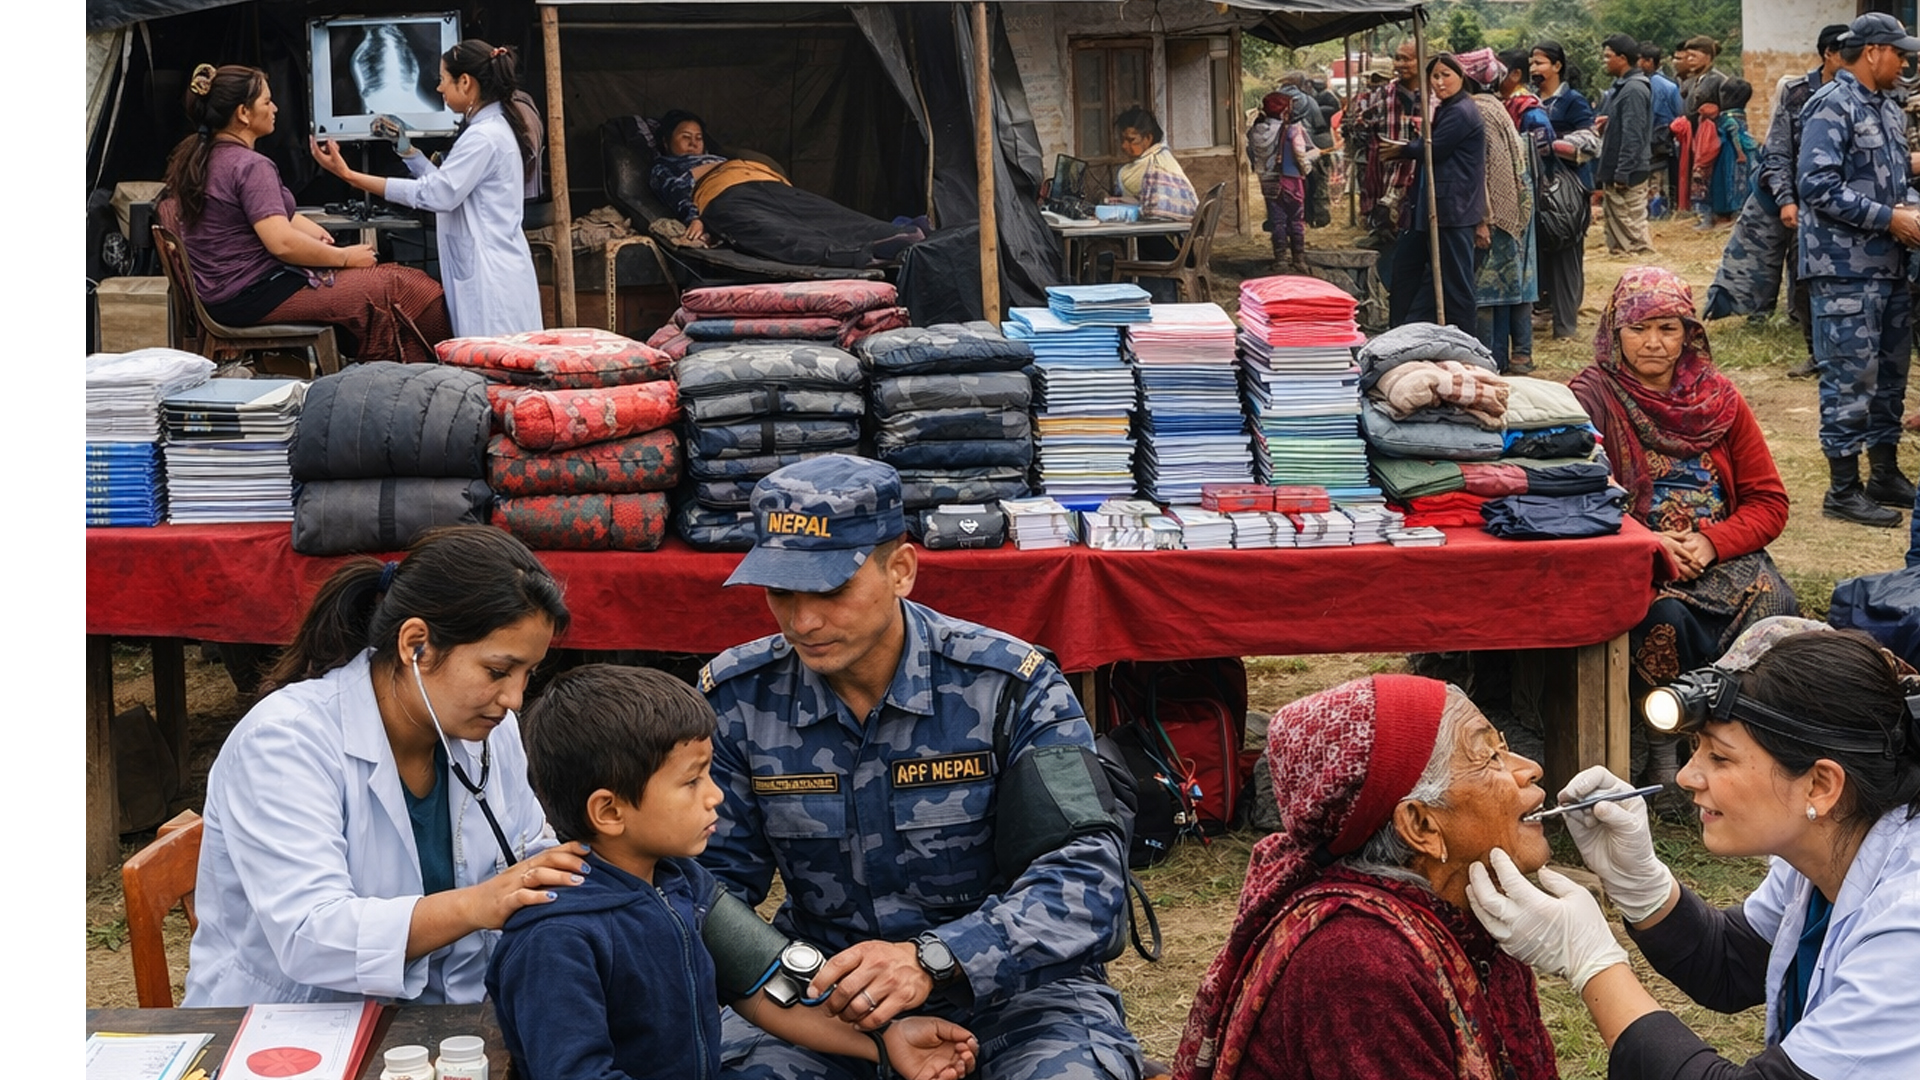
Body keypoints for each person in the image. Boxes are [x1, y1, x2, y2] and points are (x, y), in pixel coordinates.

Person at [697, 454, 1144, 1080]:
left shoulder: (1010, 688)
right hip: (826, 1000)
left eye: (829, 591)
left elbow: (1088, 879)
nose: (803, 621)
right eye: (780, 593)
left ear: (901, 570)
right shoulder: (738, 700)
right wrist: (795, 983)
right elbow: (703, 891)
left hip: (1016, 994)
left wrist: (935, 958)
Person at [1468, 627, 1920, 1079]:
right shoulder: (1825, 851)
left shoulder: (1907, 930)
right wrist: (1642, 886)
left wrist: (1592, 961)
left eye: (1719, 758)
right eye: (1695, 748)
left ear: (1820, 785)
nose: (1686, 777)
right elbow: (1731, 964)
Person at [490, 664, 980, 1080]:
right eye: (692, 781)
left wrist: (885, 1041)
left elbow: (760, 991)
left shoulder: (679, 882)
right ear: (609, 811)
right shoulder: (556, 938)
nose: (716, 795)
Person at [181, 526, 587, 1006]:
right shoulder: (283, 743)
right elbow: (311, 933)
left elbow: (528, 852)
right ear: (416, 645)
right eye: (498, 671)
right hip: (293, 1025)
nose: (514, 699)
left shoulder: (490, 732)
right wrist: (477, 904)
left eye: (527, 674)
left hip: (442, 1022)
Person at [1170, 675, 1559, 1080]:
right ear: (1421, 826)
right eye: (1489, 757)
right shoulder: (1359, 965)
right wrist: (1595, 967)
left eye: (1502, 746)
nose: (1531, 769)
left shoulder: (1466, 920)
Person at [1570, 267, 1796, 797]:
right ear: (1614, 331)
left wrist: (1713, 542)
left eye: (1668, 328)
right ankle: (1663, 753)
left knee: (1776, 606)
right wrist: (1646, 540)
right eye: (1638, 328)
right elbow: (1575, 493)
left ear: (1688, 334)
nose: (1653, 342)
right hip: (1633, 554)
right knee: (1663, 619)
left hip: (1717, 556)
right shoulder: (1590, 398)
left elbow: (1769, 501)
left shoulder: (1719, 399)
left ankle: (1743, 742)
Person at [160, 63, 450, 364]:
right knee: (406, 286)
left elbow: (263, 214)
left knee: (387, 281)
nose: (275, 108)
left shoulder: (202, 157)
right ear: (243, 113)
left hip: (227, 296)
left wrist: (310, 231)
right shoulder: (250, 166)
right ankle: (442, 369)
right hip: (253, 296)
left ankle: (400, 368)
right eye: (266, 101)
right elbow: (281, 243)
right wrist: (345, 257)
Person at [311, 40, 543, 338]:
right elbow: (450, 186)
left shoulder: (484, 137)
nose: (438, 88)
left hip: (491, 280)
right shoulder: (490, 129)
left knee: (491, 359)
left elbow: (437, 195)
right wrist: (407, 151)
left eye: (443, 79)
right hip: (491, 271)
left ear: (465, 82)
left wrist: (350, 176)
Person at [1795, 12, 1920, 528]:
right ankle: (1843, 490)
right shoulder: (1832, 104)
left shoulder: (1887, 108)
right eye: (1900, 55)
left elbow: (1894, 181)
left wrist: (1910, 211)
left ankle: (1883, 473)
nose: (1905, 64)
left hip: (1891, 266)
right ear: (1872, 52)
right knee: (1850, 377)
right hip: (1845, 269)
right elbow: (1816, 184)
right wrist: (1889, 219)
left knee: (1890, 376)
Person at [1702, 24, 1847, 380]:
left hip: (1843, 199)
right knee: (1797, 270)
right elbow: (1778, 152)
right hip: (1797, 198)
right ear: (1829, 54)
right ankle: (1812, 348)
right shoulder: (1797, 93)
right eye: (1849, 52)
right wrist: (1786, 199)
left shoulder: (1861, 94)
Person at [649, 111, 926, 270]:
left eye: (698, 138)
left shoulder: (720, 157)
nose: (694, 144)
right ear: (665, 142)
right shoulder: (665, 166)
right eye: (685, 137)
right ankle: (867, 253)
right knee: (777, 233)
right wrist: (694, 218)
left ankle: (898, 232)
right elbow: (676, 193)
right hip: (726, 196)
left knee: (828, 215)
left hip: (766, 182)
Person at [1387, 54, 1486, 336]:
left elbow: (1435, 147)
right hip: (1434, 206)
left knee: (1456, 283)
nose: (1440, 83)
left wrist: (1404, 149)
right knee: (1412, 272)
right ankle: (1405, 332)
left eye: (1446, 75)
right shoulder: (1447, 108)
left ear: (1461, 76)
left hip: (1454, 208)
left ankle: (1465, 341)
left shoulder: (1461, 112)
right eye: (1434, 76)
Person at [1458, 49, 1539, 376]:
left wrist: (1484, 218)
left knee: (1488, 290)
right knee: (1516, 285)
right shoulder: (1495, 105)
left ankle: (1489, 361)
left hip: (1497, 209)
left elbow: (1486, 168)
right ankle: (1518, 356)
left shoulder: (1478, 110)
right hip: (1517, 204)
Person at [1530, 42, 1594, 340]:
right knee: (1541, 254)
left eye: (1540, 62)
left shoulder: (1572, 101)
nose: (1534, 68)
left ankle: (1566, 326)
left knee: (1567, 255)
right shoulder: (1530, 101)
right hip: (1539, 189)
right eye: (1531, 63)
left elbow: (1589, 141)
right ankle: (1543, 311)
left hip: (1568, 191)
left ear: (1557, 66)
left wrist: (1551, 143)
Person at [1347, 42, 1422, 262]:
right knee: (1390, 242)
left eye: (1407, 59)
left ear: (1421, 61)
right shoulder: (1384, 94)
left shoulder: (1432, 95)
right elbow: (1359, 121)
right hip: (1386, 177)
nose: (1400, 64)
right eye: (1397, 58)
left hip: (1420, 177)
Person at [1595, 35, 1656, 255]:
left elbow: (1633, 135)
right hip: (1621, 167)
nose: (1604, 61)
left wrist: (1623, 171)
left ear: (1622, 58)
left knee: (1632, 229)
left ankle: (1643, 264)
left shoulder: (1633, 90)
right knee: (1621, 229)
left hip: (1629, 171)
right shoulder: (1623, 88)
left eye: (1608, 56)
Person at [1248, 92, 1314, 271]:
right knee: (1296, 220)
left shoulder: (1255, 131)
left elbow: (1253, 157)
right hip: (1291, 181)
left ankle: (1281, 260)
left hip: (1268, 181)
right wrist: (1307, 168)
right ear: (1284, 110)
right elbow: (1301, 155)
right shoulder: (1293, 130)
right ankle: (1299, 259)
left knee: (1277, 221)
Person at [1704, 79, 1758, 229]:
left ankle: (1734, 210)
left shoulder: (1727, 117)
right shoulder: (1740, 114)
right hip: (1746, 148)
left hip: (1731, 152)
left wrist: (1739, 153)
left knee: (1730, 180)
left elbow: (1734, 133)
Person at [1638, 43, 1683, 217]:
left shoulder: (1662, 86)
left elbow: (1678, 115)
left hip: (1658, 143)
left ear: (1649, 62)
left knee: (1657, 181)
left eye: (1639, 59)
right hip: (1657, 143)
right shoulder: (1668, 85)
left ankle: (1658, 213)